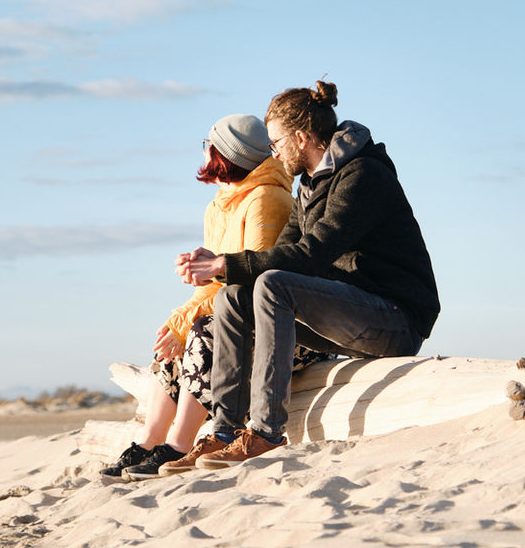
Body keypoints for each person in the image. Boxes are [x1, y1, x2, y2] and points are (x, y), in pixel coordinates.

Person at [176, 81, 440, 469]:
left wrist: (223, 264)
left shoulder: (363, 175)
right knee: (232, 296)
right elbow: (277, 254)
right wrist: (222, 266)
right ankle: (224, 431)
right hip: (349, 315)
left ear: (301, 138)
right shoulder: (309, 185)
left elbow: (313, 255)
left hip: (395, 320)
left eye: (276, 143)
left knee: (272, 285)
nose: (273, 152)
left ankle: (265, 432)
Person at [100, 114, 329, 480]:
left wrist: (188, 322)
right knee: (176, 335)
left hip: (279, 327)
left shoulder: (267, 199)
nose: (204, 152)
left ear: (224, 152)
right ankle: (149, 440)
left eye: (208, 145)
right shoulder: (219, 205)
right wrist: (178, 320)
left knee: (203, 331)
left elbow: (250, 279)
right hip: (241, 314)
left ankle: (179, 444)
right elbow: (212, 285)